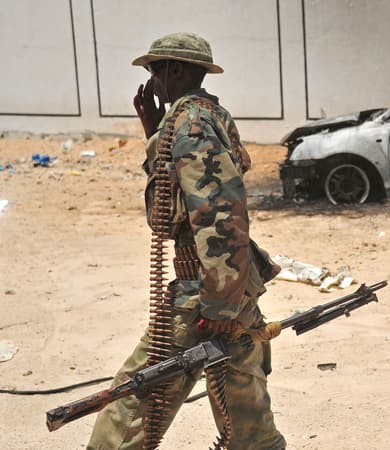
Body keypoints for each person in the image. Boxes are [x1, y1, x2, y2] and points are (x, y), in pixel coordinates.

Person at [87, 32, 286, 450]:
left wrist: (219, 302)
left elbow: (218, 210)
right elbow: (181, 195)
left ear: (175, 69)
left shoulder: (191, 124)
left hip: (205, 291)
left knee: (133, 405)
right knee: (247, 412)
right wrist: (154, 131)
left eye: (154, 71)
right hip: (228, 288)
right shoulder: (204, 116)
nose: (153, 82)